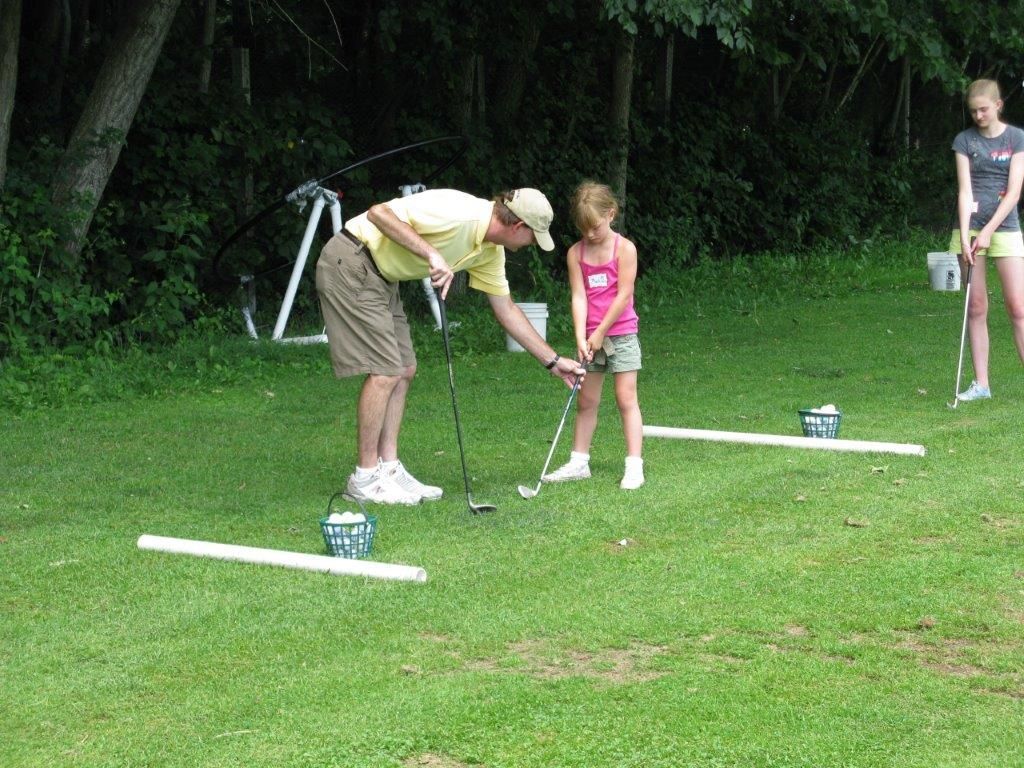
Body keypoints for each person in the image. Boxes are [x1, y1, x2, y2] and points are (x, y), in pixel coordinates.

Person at [315, 187, 585, 505]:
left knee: (404, 368)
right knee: (386, 371)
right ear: (518, 227)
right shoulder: (459, 211)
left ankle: (388, 469)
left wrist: (553, 361)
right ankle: (364, 477)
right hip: (353, 260)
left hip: (383, 277)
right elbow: (378, 213)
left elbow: (507, 310)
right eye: (533, 237)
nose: (531, 245)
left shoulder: (489, 250)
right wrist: (431, 254)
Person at [542, 181, 644, 489]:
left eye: (595, 227)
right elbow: (578, 296)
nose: (589, 234)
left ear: (611, 214)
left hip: (621, 334)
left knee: (626, 399)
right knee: (586, 400)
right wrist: (580, 335)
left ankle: (634, 465)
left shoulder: (624, 249)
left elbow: (624, 294)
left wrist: (600, 331)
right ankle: (578, 462)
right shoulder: (576, 253)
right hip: (589, 340)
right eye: (583, 228)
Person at [951, 78, 1024, 402]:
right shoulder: (963, 141)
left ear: (998, 105)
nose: (978, 116)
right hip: (968, 229)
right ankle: (981, 384)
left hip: (1005, 228)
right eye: (973, 111)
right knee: (976, 306)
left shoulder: (1016, 138)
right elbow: (965, 191)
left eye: (983, 109)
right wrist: (967, 236)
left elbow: (1014, 192)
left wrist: (989, 230)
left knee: (1019, 307)